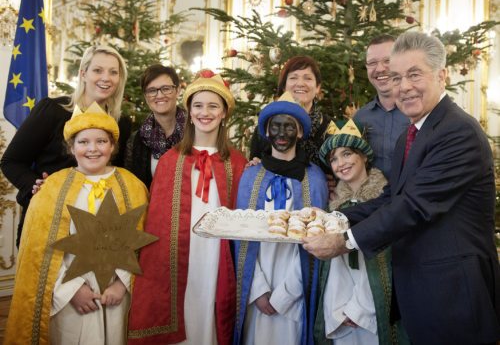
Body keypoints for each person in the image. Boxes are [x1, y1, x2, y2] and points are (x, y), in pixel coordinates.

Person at [303, 31, 500, 344]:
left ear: (442, 75)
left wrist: (345, 241)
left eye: (414, 74)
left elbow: (413, 206)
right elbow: (391, 198)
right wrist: (333, 218)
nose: (403, 87)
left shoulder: (458, 132)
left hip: (453, 296)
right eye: (396, 77)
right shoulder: (411, 135)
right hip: (422, 291)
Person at [4, 103, 149, 344]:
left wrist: (121, 286)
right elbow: (40, 250)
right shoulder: (52, 188)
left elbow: (142, 242)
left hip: (116, 296)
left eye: (101, 141)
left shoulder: (133, 186)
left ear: (113, 146)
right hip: (70, 300)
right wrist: (72, 289)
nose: (93, 149)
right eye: (83, 142)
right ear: (71, 147)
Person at [127, 73, 247, 345]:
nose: (205, 112)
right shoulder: (171, 160)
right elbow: (156, 221)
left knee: (212, 314)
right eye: (198, 106)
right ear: (189, 113)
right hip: (179, 258)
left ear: (224, 113)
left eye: (213, 106)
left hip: (217, 256)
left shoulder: (237, 162)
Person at [0, 45, 132, 247]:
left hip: (98, 227)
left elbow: (119, 172)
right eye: (98, 70)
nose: (106, 78)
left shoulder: (121, 122)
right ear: (83, 74)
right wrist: (35, 185)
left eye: (113, 72)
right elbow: (11, 161)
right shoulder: (52, 110)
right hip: (47, 219)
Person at [234, 92, 329, 345]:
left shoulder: (314, 178)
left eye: (289, 126)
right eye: (275, 126)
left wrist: (285, 295)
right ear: (266, 131)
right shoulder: (251, 176)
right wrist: (259, 290)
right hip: (258, 290)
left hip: (293, 291)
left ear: (299, 132)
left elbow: (316, 240)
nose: (281, 133)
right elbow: (241, 239)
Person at [314, 119, 409, 345]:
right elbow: (334, 268)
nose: (340, 163)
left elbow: (387, 261)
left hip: (373, 306)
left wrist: (359, 308)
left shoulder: (385, 202)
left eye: (347, 154)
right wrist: (340, 306)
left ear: (364, 156)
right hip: (339, 308)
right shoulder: (333, 206)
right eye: (334, 159)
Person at [249, 55, 333, 171]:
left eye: (307, 78)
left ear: (318, 87)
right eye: (293, 78)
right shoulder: (266, 127)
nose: (300, 83)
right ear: (284, 86)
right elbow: (255, 165)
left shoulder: (329, 128)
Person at [354, 34, 409, 178]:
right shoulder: (360, 118)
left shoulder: (417, 112)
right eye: (372, 63)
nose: (379, 69)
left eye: (387, 61)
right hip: (371, 198)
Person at [125, 64, 185, 187]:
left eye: (166, 88)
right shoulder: (136, 140)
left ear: (178, 90)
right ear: (146, 96)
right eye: (152, 90)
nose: (159, 95)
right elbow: (131, 187)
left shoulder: (195, 131)